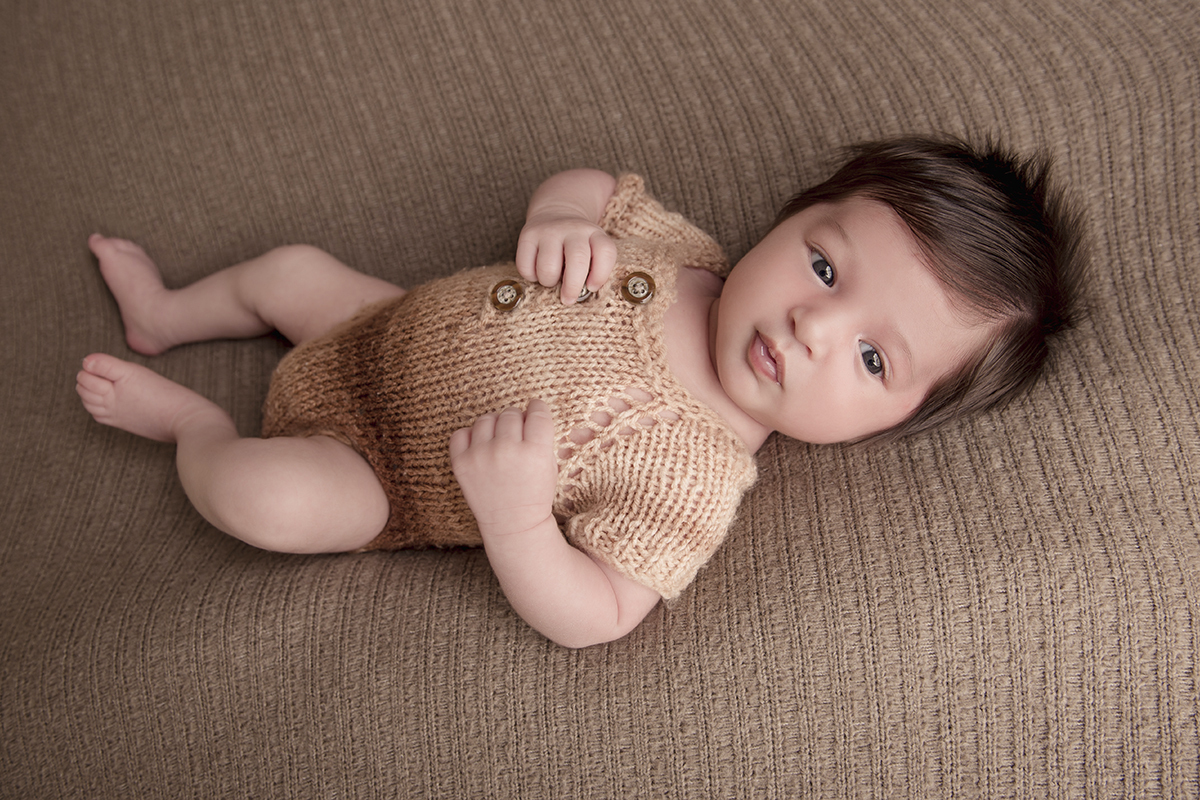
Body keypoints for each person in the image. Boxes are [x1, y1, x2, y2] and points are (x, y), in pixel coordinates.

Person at [75, 136, 1086, 648]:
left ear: (892, 421)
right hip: (378, 322)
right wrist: (561, 216)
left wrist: (516, 521)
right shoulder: (681, 255)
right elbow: (593, 181)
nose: (812, 327)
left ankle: (192, 426)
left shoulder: (695, 475)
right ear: (791, 218)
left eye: (873, 360)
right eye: (823, 267)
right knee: (290, 270)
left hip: (378, 476)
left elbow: (599, 611)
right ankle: (167, 312)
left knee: (265, 499)